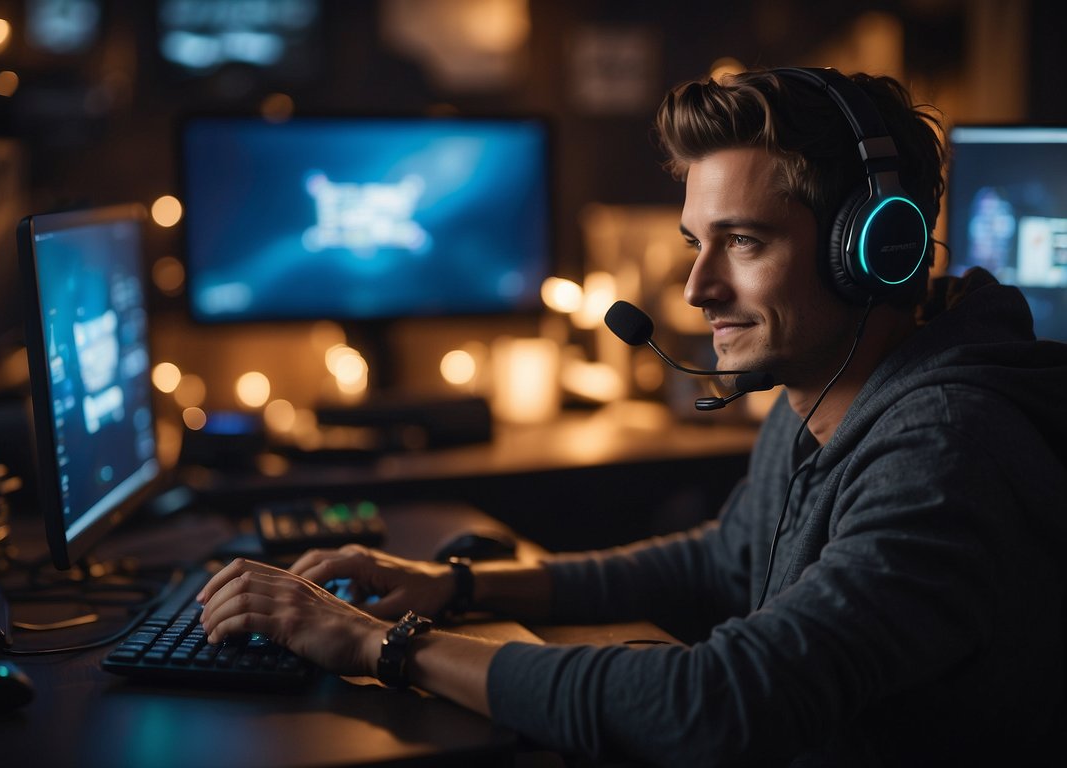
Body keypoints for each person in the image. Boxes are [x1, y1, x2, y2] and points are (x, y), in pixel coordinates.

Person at [197, 68, 1067, 765]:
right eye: (698, 243)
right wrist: (454, 586)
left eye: (746, 242)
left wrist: (382, 645)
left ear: (876, 249)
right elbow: (725, 560)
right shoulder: (828, 388)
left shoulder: (947, 446)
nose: (697, 289)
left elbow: (725, 704)